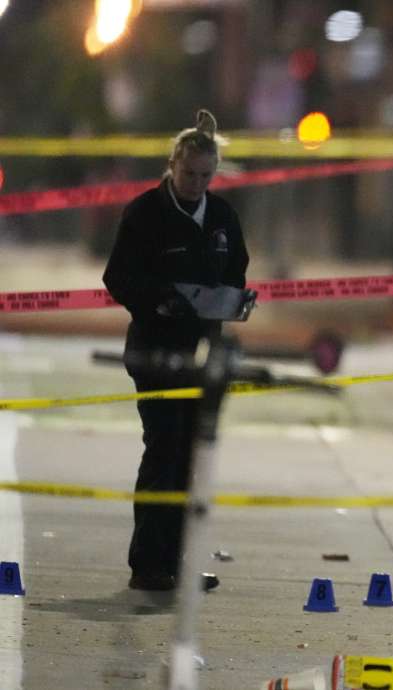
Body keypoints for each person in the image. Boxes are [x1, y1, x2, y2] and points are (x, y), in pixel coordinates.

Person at [103, 110, 249, 592]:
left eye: (206, 176)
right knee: (163, 452)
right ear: (172, 166)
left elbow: (235, 273)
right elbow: (117, 277)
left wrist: (235, 300)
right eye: (189, 174)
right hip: (156, 354)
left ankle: (182, 562)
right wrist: (160, 300)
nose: (196, 183)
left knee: (192, 458)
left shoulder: (223, 218)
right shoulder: (144, 214)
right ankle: (148, 564)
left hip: (205, 354)